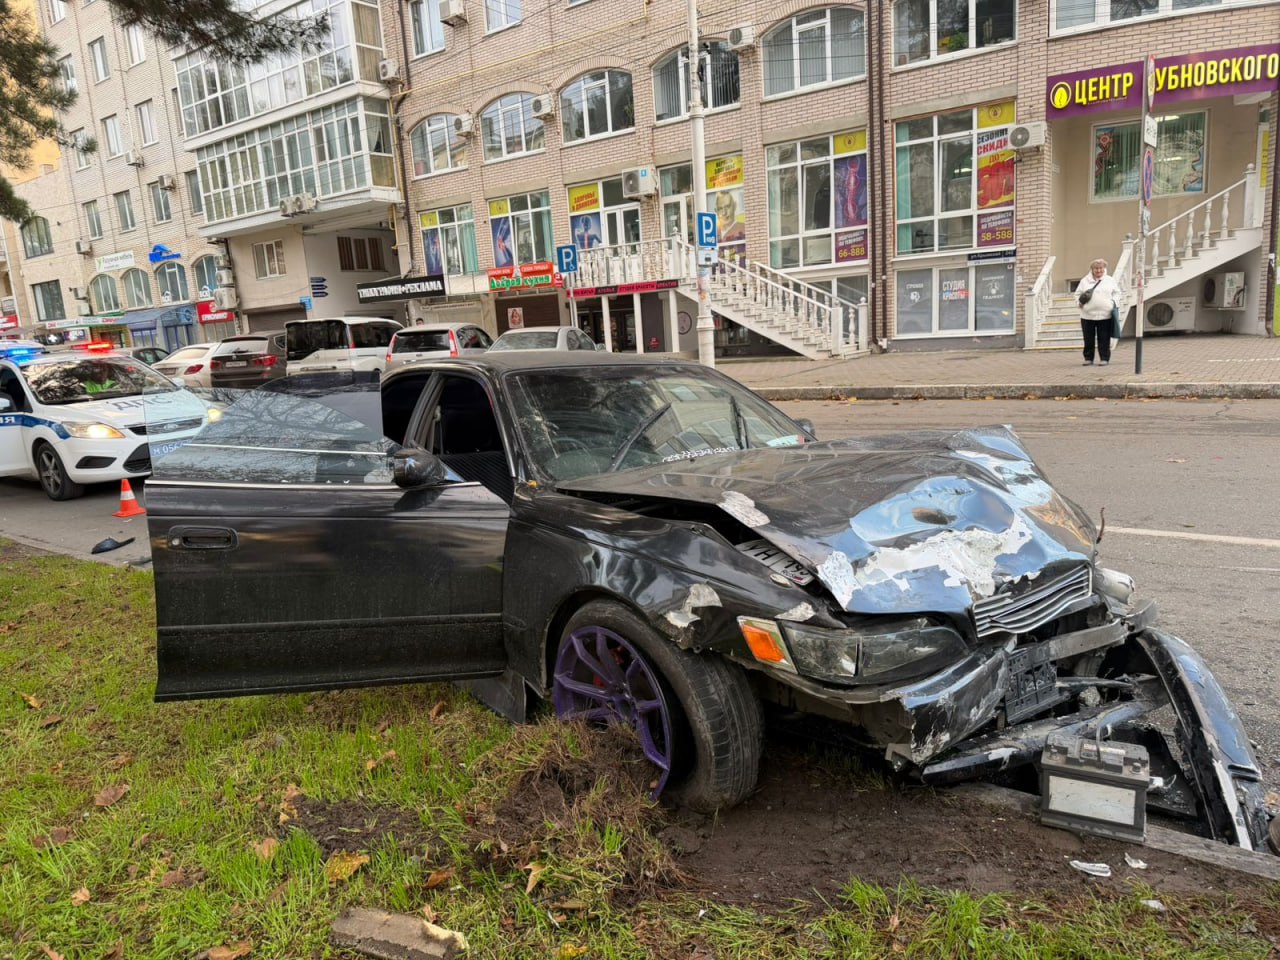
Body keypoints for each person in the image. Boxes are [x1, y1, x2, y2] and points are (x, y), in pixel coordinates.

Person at [1076, 258, 1121, 366]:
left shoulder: (1110, 280)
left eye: (1101, 268)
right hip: (1087, 315)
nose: (1098, 270)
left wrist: (1113, 303)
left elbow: (1117, 293)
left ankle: (1104, 358)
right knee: (1088, 339)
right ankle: (1088, 358)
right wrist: (1079, 303)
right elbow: (1077, 294)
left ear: (1104, 268)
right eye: (1096, 268)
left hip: (1105, 315)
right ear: (1092, 269)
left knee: (1104, 338)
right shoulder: (1084, 281)